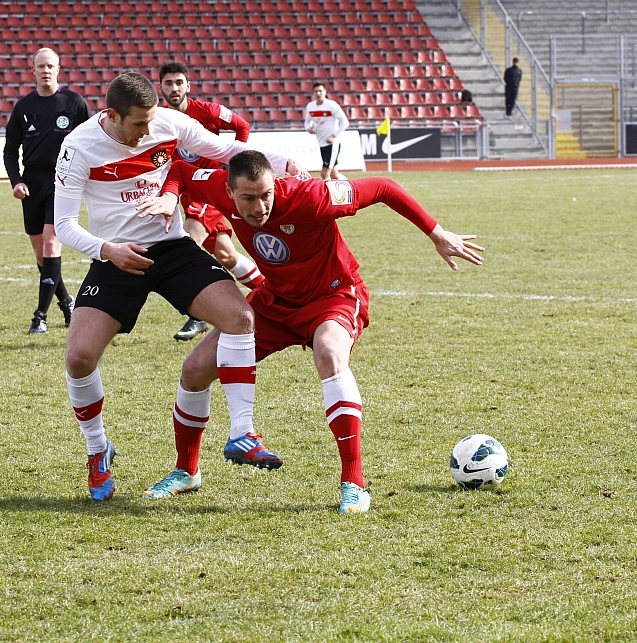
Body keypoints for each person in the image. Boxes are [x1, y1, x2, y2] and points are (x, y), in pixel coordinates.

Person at [136, 151, 483, 513]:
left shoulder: (313, 197)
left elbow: (383, 186)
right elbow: (179, 169)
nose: (259, 207)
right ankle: (186, 471)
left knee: (330, 353)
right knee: (195, 369)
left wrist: (437, 233)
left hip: (333, 296)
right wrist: (170, 195)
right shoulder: (216, 186)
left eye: (266, 195)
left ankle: (354, 483)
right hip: (275, 300)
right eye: (248, 199)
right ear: (229, 191)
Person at [53, 72, 307, 502]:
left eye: (152, 121)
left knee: (240, 317)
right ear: (112, 115)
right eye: (139, 124)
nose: (148, 130)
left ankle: (243, 432)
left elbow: (225, 150)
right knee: (78, 358)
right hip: (117, 256)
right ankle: (98, 450)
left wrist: (283, 162)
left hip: (172, 248)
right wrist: (108, 250)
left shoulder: (167, 122)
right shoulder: (78, 147)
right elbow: (63, 225)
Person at [158, 60, 266, 342]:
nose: (174, 88)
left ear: (188, 86)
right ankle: (270, 292)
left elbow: (242, 126)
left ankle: (198, 313)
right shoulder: (161, 118)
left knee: (185, 245)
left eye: (179, 82)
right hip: (188, 193)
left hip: (210, 189)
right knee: (226, 255)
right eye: (168, 83)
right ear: (161, 88)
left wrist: (231, 164)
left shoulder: (208, 111)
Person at [3, 47, 91, 333]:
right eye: (40, 66)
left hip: (63, 181)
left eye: (50, 66)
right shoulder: (23, 107)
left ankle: (40, 316)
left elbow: (92, 141)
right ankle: (67, 302)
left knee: (52, 242)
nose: (45, 70)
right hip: (32, 184)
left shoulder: (74, 102)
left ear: (58, 69)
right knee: (41, 252)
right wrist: (17, 181)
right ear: (33, 70)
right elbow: (9, 151)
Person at [304, 81, 349, 180]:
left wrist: (334, 135)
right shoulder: (310, 107)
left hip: (332, 144)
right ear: (313, 93)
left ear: (325, 91)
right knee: (334, 174)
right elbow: (307, 122)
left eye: (320, 91)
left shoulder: (331, 105)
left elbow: (345, 122)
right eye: (316, 91)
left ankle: (330, 191)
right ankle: (351, 186)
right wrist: (308, 128)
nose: (318, 93)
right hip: (321, 142)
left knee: (325, 173)